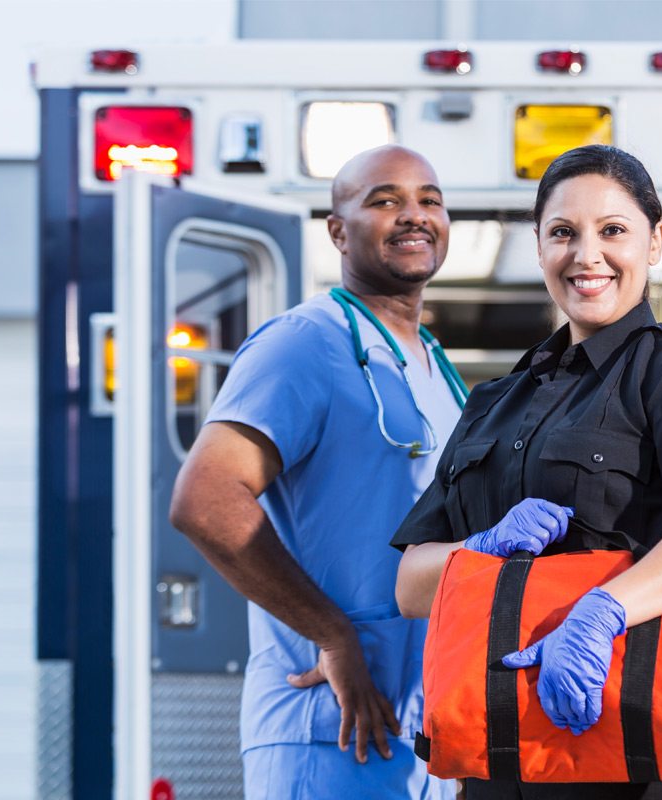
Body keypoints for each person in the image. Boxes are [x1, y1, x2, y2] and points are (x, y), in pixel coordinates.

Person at [391, 144, 662, 800]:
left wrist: (603, 612)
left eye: (613, 231)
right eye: (563, 233)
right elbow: (411, 585)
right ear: (539, 247)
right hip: (503, 750)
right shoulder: (492, 403)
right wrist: (477, 552)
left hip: (636, 748)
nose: (586, 255)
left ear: (654, 242)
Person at [168, 145, 462, 799]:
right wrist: (330, 633)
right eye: (385, 200)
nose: (414, 215)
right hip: (325, 731)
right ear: (337, 230)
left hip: (416, 739)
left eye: (429, 200)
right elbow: (205, 498)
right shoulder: (306, 342)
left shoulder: (434, 367)